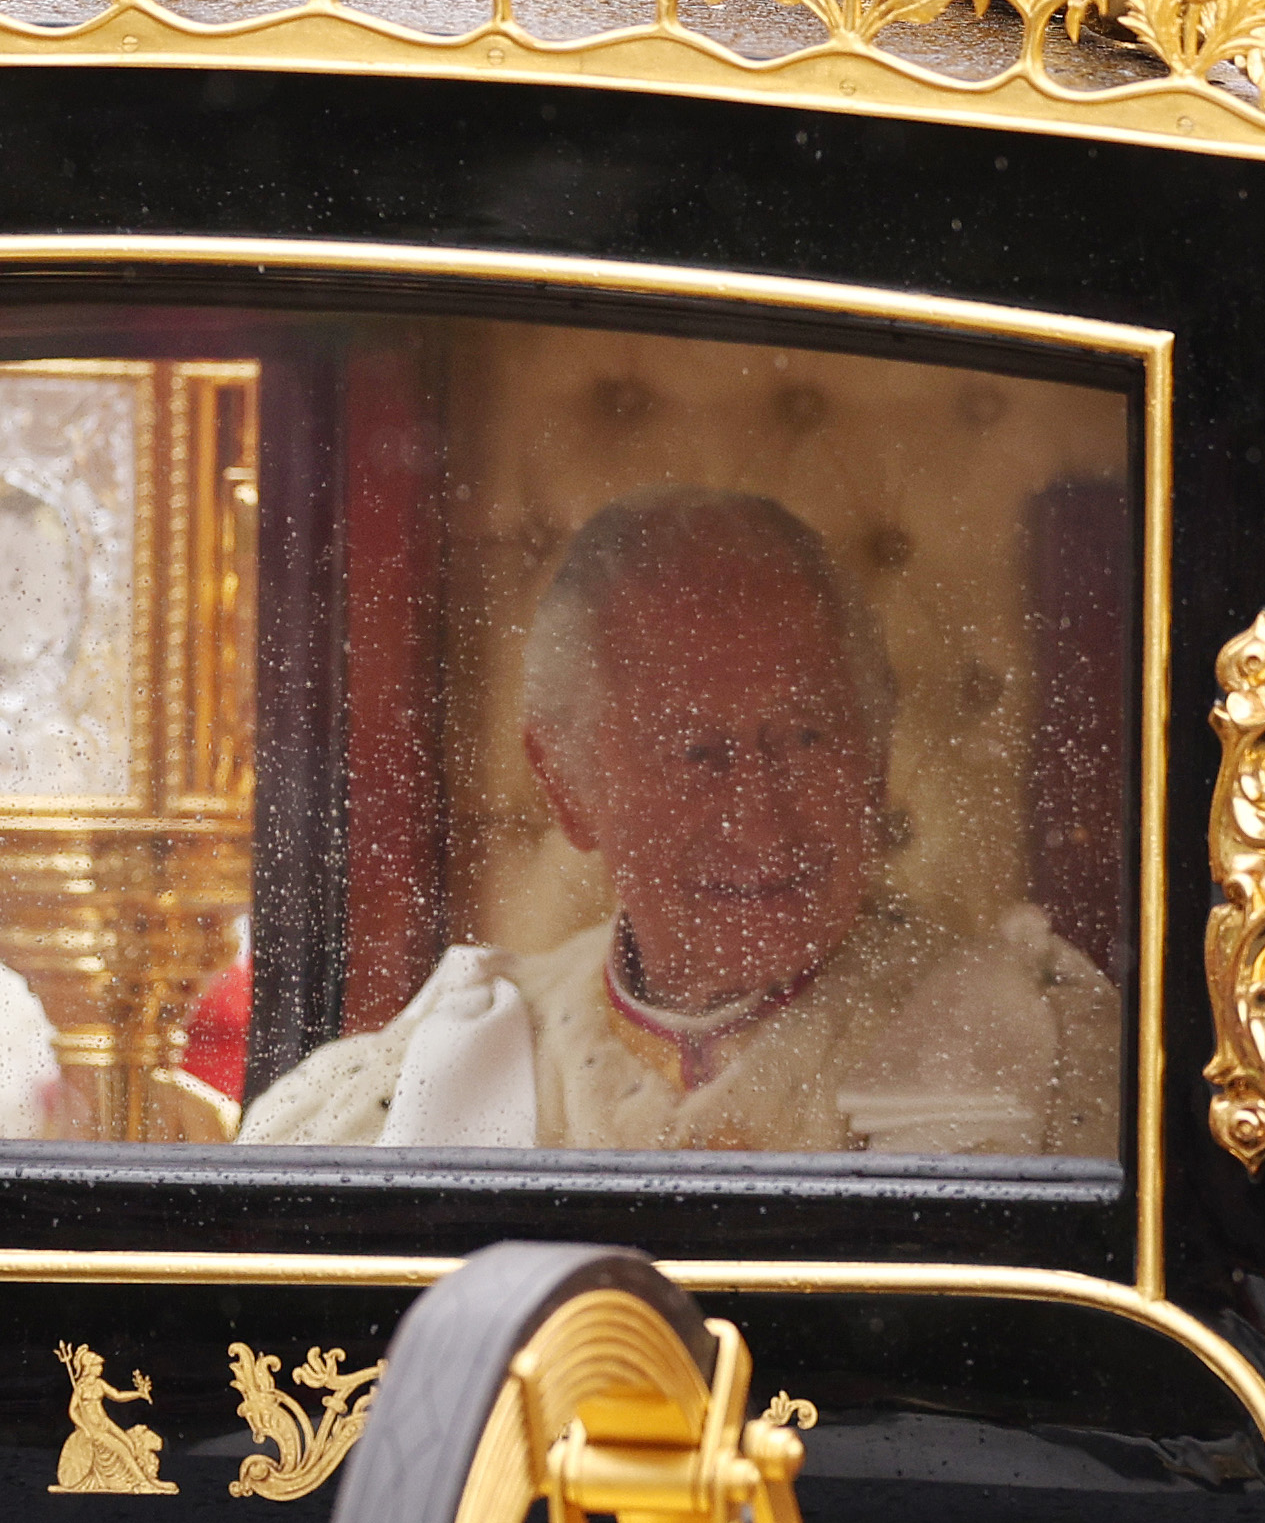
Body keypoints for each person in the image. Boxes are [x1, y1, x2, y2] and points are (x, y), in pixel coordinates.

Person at [242, 486, 1113, 1156]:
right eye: (695, 752)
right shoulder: (423, 1079)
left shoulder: (1047, 1049)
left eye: (806, 738)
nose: (759, 817)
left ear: (876, 755)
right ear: (565, 786)